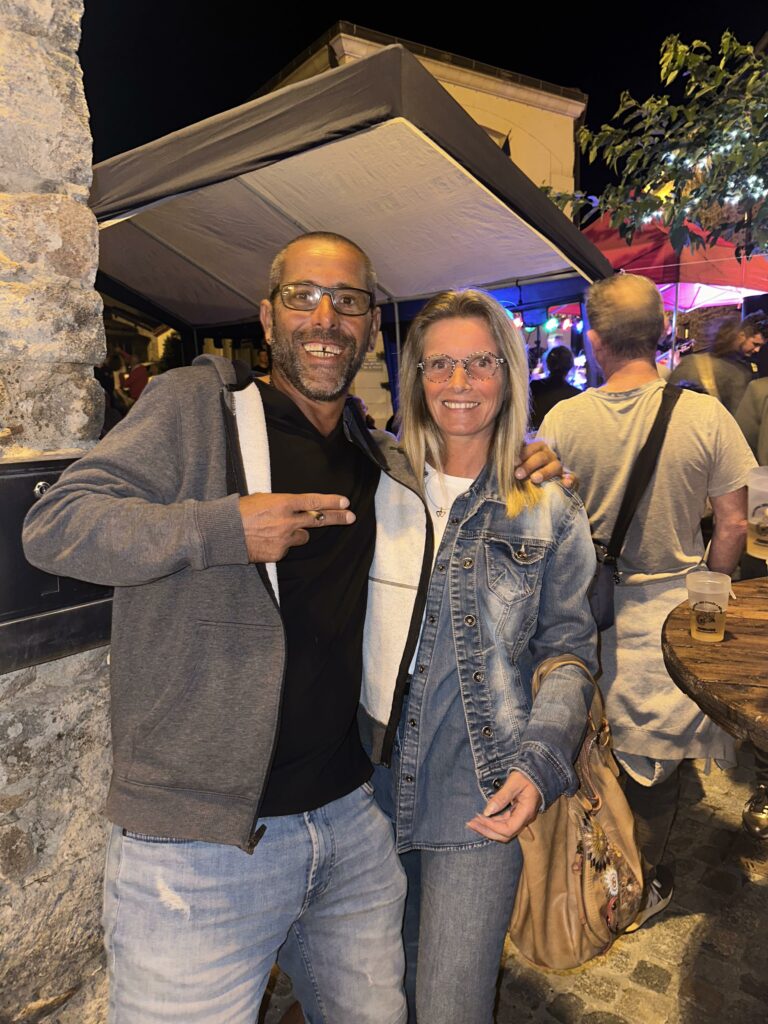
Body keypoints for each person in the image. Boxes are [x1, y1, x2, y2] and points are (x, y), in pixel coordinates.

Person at [22, 232, 563, 1024]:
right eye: (303, 296)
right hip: (202, 844)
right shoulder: (194, 409)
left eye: (348, 302)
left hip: (349, 821)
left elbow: (464, 495)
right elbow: (57, 526)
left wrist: (527, 463)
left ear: (369, 329)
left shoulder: (378, 459)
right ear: (269, 317)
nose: (326, 318)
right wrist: (222, 529)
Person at [358, 289, 598, 1024]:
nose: (458, 382)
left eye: (480, 363)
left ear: (509, 373)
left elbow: (569, 650)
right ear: (415, 377)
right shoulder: (375, 480)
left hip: (480, 790)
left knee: (450, 1007)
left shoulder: (546, 504)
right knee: (377, 997)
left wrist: (540, 763)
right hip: (363, 787)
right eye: (439, 364)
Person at [538, 273, 756, 928]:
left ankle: (606, 882)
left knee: (595, 756)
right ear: (661, 335)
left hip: (586, 615)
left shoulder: (562, 421)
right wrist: (708, 589)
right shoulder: (705, 416)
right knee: (656, 772)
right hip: (672, 618)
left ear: (595, 339)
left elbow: (540, 527)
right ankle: (634, 891)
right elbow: (734, 524)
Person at [668, 310, 767, 415]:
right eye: (755, 344)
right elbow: (738, 417)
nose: (757, 350)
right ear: (741, 336)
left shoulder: (690, 361)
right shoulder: (738, 373)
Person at [529, 344, 580, 428]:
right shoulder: (577, 395)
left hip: (535, 435)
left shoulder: (534, 386)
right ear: (570, 366)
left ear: (548, 364)